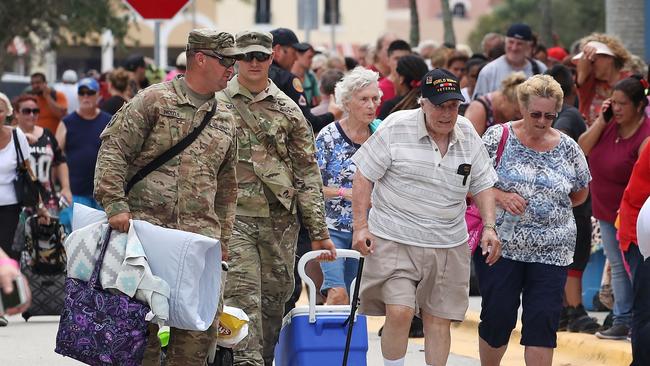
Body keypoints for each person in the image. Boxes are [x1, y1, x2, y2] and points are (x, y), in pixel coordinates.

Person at [94, 29, 241, 365]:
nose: (232, 69)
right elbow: (113, 151)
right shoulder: (153, 101)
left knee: (196, 339)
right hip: (144, 241)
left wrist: (224, 240)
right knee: (135, 333)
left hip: (198, 244)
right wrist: (115, 204)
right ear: (200, 58)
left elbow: (227, 184)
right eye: (226, 61)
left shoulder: (226, 117)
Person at [351, 69, 501, 366]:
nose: (447, 114)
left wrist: (490, 227)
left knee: (438, 319)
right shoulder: (396, 126)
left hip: (448, 243)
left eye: (453, 106)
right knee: (400, 310)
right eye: (440, 106)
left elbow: (483, 184)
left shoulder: (467, 132)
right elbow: (364, 176)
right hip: (395, 238)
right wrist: (360, 226)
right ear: (423, 103)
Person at [215, 30, 336, 366]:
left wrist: (318, 232)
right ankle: (246, 362)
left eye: (260, 56)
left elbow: (307, 174)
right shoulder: (216, 103)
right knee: (241, 299)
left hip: (278, 223)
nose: (253, 63)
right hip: (233, 219)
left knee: (275, 301)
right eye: (246, 56)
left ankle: (263, 360)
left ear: (271, 59)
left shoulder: (288, 109)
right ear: (236, 60)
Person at [477, 74, 591, 366]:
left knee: (542, 322)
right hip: (502, 246)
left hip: (553, 250)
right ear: (522, 108)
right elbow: (472, 183)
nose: (542, 121)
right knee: (498, 316)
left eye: (550, 115)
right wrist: (501, 197)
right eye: (536, 114)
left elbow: (580, 193)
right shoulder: (497, 136)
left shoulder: (568, 147)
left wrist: (549, 208)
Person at [578, 76, 650, 339]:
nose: (617, 108)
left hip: (634, 216)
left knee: (634, 268)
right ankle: (623, 319)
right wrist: (601, 119)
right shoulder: (608, 126)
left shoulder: (646, 135)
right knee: (618, 267)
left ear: (639, 106)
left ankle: (635, 320)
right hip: (606, 211)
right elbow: (581, 149)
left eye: (623, 104)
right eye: (614, 103)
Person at [315, 67, 381, 305]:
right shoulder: (328, 136)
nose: (371, 105)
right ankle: (327, 342)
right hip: (331, 230)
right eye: (364, 99)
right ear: (347, 102)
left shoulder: (380, 136)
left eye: (375, 99)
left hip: (367, 229)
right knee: (338, 293)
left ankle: (341, 341)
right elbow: (311, 186)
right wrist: (346, 193)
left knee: (353, 299)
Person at [545, 64, 600, 333]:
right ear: (573, 89)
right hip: (570, 199)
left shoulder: (552, 116)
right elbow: (563, 136)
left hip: (561, 199)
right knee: (575, 255)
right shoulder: (570, 115)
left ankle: (565, 309)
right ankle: (574, 308)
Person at [268, 28, 340, 134]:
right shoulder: (287, 80)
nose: (296, 59)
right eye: (293, 53)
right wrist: (332, 115)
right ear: (278, 51)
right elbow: (306, 123)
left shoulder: (250, 77)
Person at [55, 78, 112, 212]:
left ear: (98, 95)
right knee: (77, 232)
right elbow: (56, 156)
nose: (86, 96)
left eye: (90, 92)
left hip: (103, 192)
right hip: (75, 191)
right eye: (82, 92)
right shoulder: (67, 123)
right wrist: (63, 187)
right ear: (78, 95)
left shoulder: (109, 121)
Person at [13, 95, 72, 211]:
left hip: (48, 200)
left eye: (35, 111)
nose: (32, 115)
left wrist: (66, 187)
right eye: (26, 111)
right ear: (16, 113)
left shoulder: (47, 135)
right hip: (18, 202)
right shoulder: (9, 135)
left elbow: (60, 161)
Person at [473, 23, 546, 99]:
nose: (514, 48)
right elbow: (477, 105)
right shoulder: (489, 71)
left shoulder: (540, 69)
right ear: (505, 43)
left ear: (528, 46)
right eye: (511, 42)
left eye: (519, 44)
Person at [573, 34, 631, 125]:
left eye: (593, 60)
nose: (590, 65)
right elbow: (581, 75)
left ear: (609, 57)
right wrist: (586, 51)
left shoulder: (629, 81)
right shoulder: (588, 83)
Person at [377, 54, 428, 120]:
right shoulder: (430, 104)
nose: (394, 80)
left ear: (401, 78)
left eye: (395, 76)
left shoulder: (392, 106)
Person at [376, 40, 412, 115]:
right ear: (388, 60)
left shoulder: (415, 86)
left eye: (405, 58)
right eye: (397, 58)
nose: (401, 62)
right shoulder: (378, 89)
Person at [291, 42, 320, 108]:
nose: (311, 61)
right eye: (309, 57)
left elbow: (319, 100)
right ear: (298, 55)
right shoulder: (286, 76)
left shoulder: (311, 77)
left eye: (312, 58)